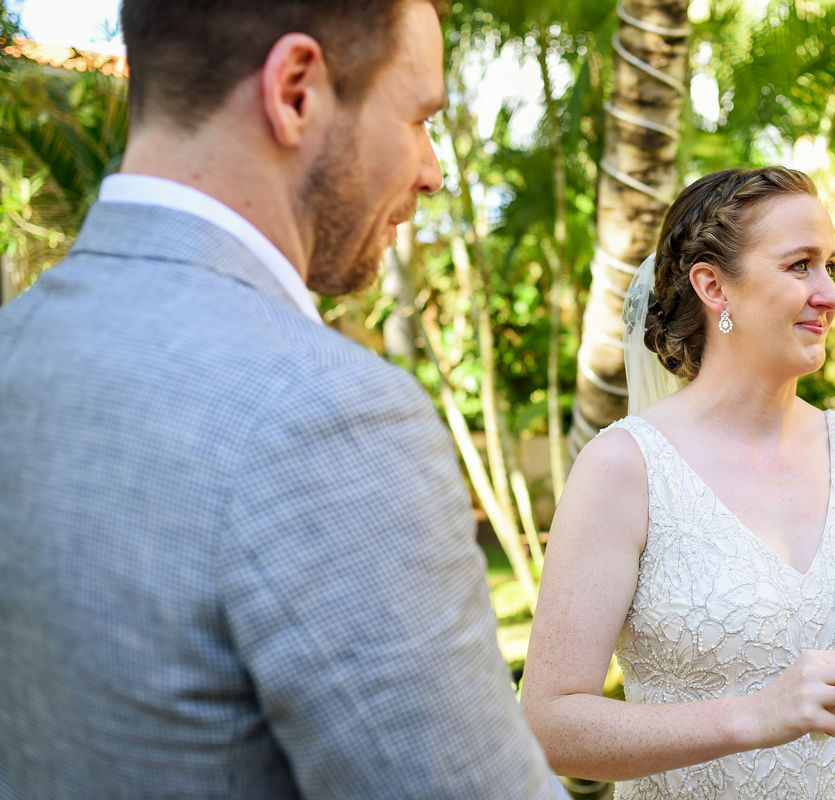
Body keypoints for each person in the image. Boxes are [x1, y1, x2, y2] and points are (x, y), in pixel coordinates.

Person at [0, 1, 566, 798]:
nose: (433, 170)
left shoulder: (16, 344)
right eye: (418, 118)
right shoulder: (328, 418)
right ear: (297, 90)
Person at [520, 167, 835, 799]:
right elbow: (549, 726)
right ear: (713, 286)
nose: (829, 294)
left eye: (830, 266)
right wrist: (753, 717)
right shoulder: (624, 469)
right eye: (800, 266)